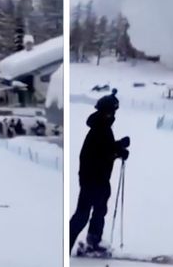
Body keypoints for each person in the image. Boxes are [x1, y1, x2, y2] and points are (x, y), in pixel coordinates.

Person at [70, 90, 130, 255]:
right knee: (83, 215)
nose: (112, 115)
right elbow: (102, 154)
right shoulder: (99, 129)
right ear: (105, 112)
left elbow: (106, 148)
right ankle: (66, 245)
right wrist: (118, 151)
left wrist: (119, 146)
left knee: (100, 210)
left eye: (113, 112)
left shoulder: (102, 127)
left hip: (100, 179)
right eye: (111, 112)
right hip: (92, 180)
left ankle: (93, 240)